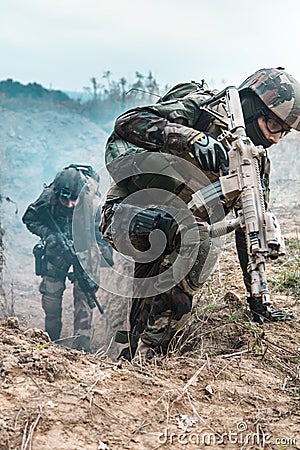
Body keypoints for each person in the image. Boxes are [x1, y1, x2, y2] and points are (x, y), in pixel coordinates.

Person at [100, 67, 300, 361]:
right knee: (190, 237)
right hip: (128, 214)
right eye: (272, 125)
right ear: (253, 105)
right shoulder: (202, 110)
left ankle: (140, 352)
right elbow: (128, 122)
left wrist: (259, 299)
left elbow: (251, 228)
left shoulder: (254, 163)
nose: (275, 139)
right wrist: (190, 139)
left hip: (179, 229)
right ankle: (147, 355)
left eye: (284, 132)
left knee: (168, 273)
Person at [22, 164, 113, 351]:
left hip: (85, 247)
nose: (70, 204)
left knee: (85, 294)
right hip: (57, 248)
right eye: (66, 200)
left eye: (74, 200)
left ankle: (82, 345)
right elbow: (29, 218)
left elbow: (102, 233)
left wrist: (100, 255)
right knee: (51, 294)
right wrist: (49, 235)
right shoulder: (47, 199)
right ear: (56, 194)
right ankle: (50, 340)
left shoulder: (92, 204)